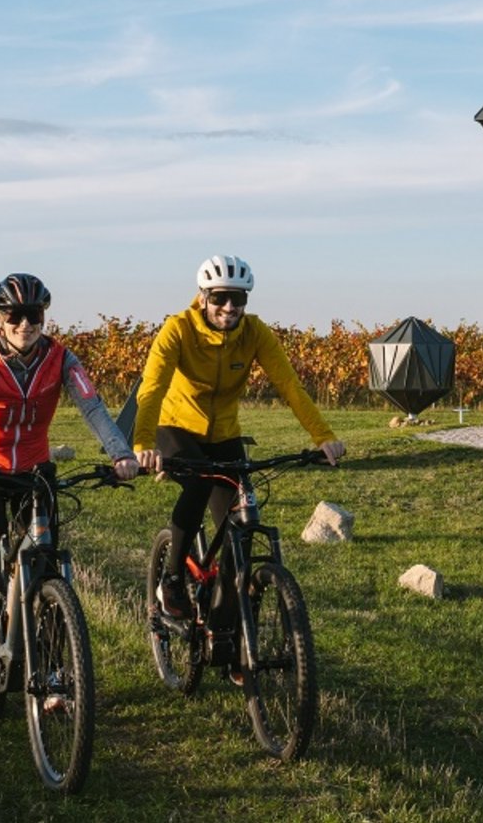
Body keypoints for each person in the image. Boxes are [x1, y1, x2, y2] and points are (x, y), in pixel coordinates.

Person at [133, 255, 345, 626]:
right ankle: (171, 581)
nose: (230, 307)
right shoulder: (177, 330)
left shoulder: (254, 333)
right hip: (175, 428)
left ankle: (225, 633)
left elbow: (290, 387)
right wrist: (143, 444)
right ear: (202, 297)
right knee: (197, 485)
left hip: (225, 434)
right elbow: (152, 389)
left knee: (239, 533)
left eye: (239, 299)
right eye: (220, 298)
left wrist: (323, 436)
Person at [0, 273, 139, 643]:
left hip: (33, 467)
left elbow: (92, 406)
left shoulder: (61, 359)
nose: (25, 324)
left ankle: (55, 671)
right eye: (14, 316)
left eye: (34, 315)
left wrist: (121, 453)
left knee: (45, 556)